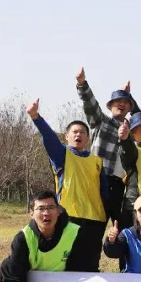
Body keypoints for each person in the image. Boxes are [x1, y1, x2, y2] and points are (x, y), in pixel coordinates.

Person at [26, 98, 109, 272]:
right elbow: (49, 138)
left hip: (95, 219)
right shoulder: (62, 154)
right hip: (69, 216)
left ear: (88, 137)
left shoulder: (97, 161)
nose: (78, 135)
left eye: (82, 132)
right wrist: (36, 117)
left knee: (91, 264)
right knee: (68, 262)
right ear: (67, 136)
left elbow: (104, 191)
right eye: (75, 132)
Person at [75, 67, 138, 223]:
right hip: (98, 178)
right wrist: (82, 84)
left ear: (130, 108)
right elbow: (90, 104)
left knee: (120, 227)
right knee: (95, 224)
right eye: (117, 102)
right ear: (110, 105)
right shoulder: (101, 121)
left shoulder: (132, 130)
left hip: (119, 184)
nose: (121, 104)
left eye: (125, 102)